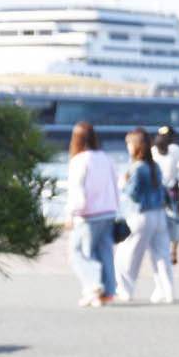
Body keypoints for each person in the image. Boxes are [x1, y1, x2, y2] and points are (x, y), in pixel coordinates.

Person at [115, 127, 176, 304]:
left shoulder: (137, 167)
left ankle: (126, 290)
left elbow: (133, 193)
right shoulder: (154, 165)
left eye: (129, 143)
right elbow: (164, 191)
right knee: (161, 255)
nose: (127, 147)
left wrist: (123, 183)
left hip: (140, 215)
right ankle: (167, 291)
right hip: (159, 215)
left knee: (127, 254)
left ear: (136, 146)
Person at [65, 121, 120, 307]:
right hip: (109, 211)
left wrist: (71, 213)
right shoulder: (106, 158)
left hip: (88, 214)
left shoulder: (79, 160)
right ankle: (107, 292)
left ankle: (93, 286)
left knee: (79, 252)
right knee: (104, 253)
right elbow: (115, 184)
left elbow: (77, 190)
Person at [152, 125, 179, 264]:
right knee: (175, 221)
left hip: (159, 190)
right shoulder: (176, 150)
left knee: (162, 220)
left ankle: (166, 250)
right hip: (172, 190)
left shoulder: (153, 151)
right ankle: (173, 250)